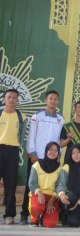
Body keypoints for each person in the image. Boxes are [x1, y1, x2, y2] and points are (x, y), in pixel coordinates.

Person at [23, 90, 64, 224]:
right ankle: (26, 214)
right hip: (37, 157)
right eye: (50, 98)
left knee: (50, 187)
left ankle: (46, 214)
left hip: (52, 158)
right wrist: (33, 153)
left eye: (55, 99)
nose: (53, 101)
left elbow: (58, 139)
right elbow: (31, 135)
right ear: (46, 100)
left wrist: (58, 154)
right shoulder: (37, 116)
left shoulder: (60, 119)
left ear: (58, 102)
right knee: (31, 186)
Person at [0, 88, 26, 225]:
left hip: (13, 151)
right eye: (9, 97)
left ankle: (9, 215)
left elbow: (22, 135)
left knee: (10, 184)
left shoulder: (22, 116)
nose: (11, 100)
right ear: (4, 99)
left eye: (14, 97)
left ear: (17, 100)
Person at [28, 141, 62, 227]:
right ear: (46, 150)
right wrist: (39, 194)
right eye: (50, 149)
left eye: (56, 150)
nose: (53, 152)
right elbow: (32, 183)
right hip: (38, 194)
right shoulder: (37, 165)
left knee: (51, 224)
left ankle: (43, 217)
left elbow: (59, 186)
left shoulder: (60, 168)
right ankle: (37, 218)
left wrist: (51, 202)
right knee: (37, 208)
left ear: (58, 153)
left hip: (52, 197)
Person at [56, 144, 80, 227]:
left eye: (78, 152)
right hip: (69, 198)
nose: (76, 155)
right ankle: (63, 212)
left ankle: (73, 215)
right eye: (73, 153)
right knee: (70, 196)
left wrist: (79, 202)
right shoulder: (67, 166)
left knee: (74, 222)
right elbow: (61, 184)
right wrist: (62, 195)